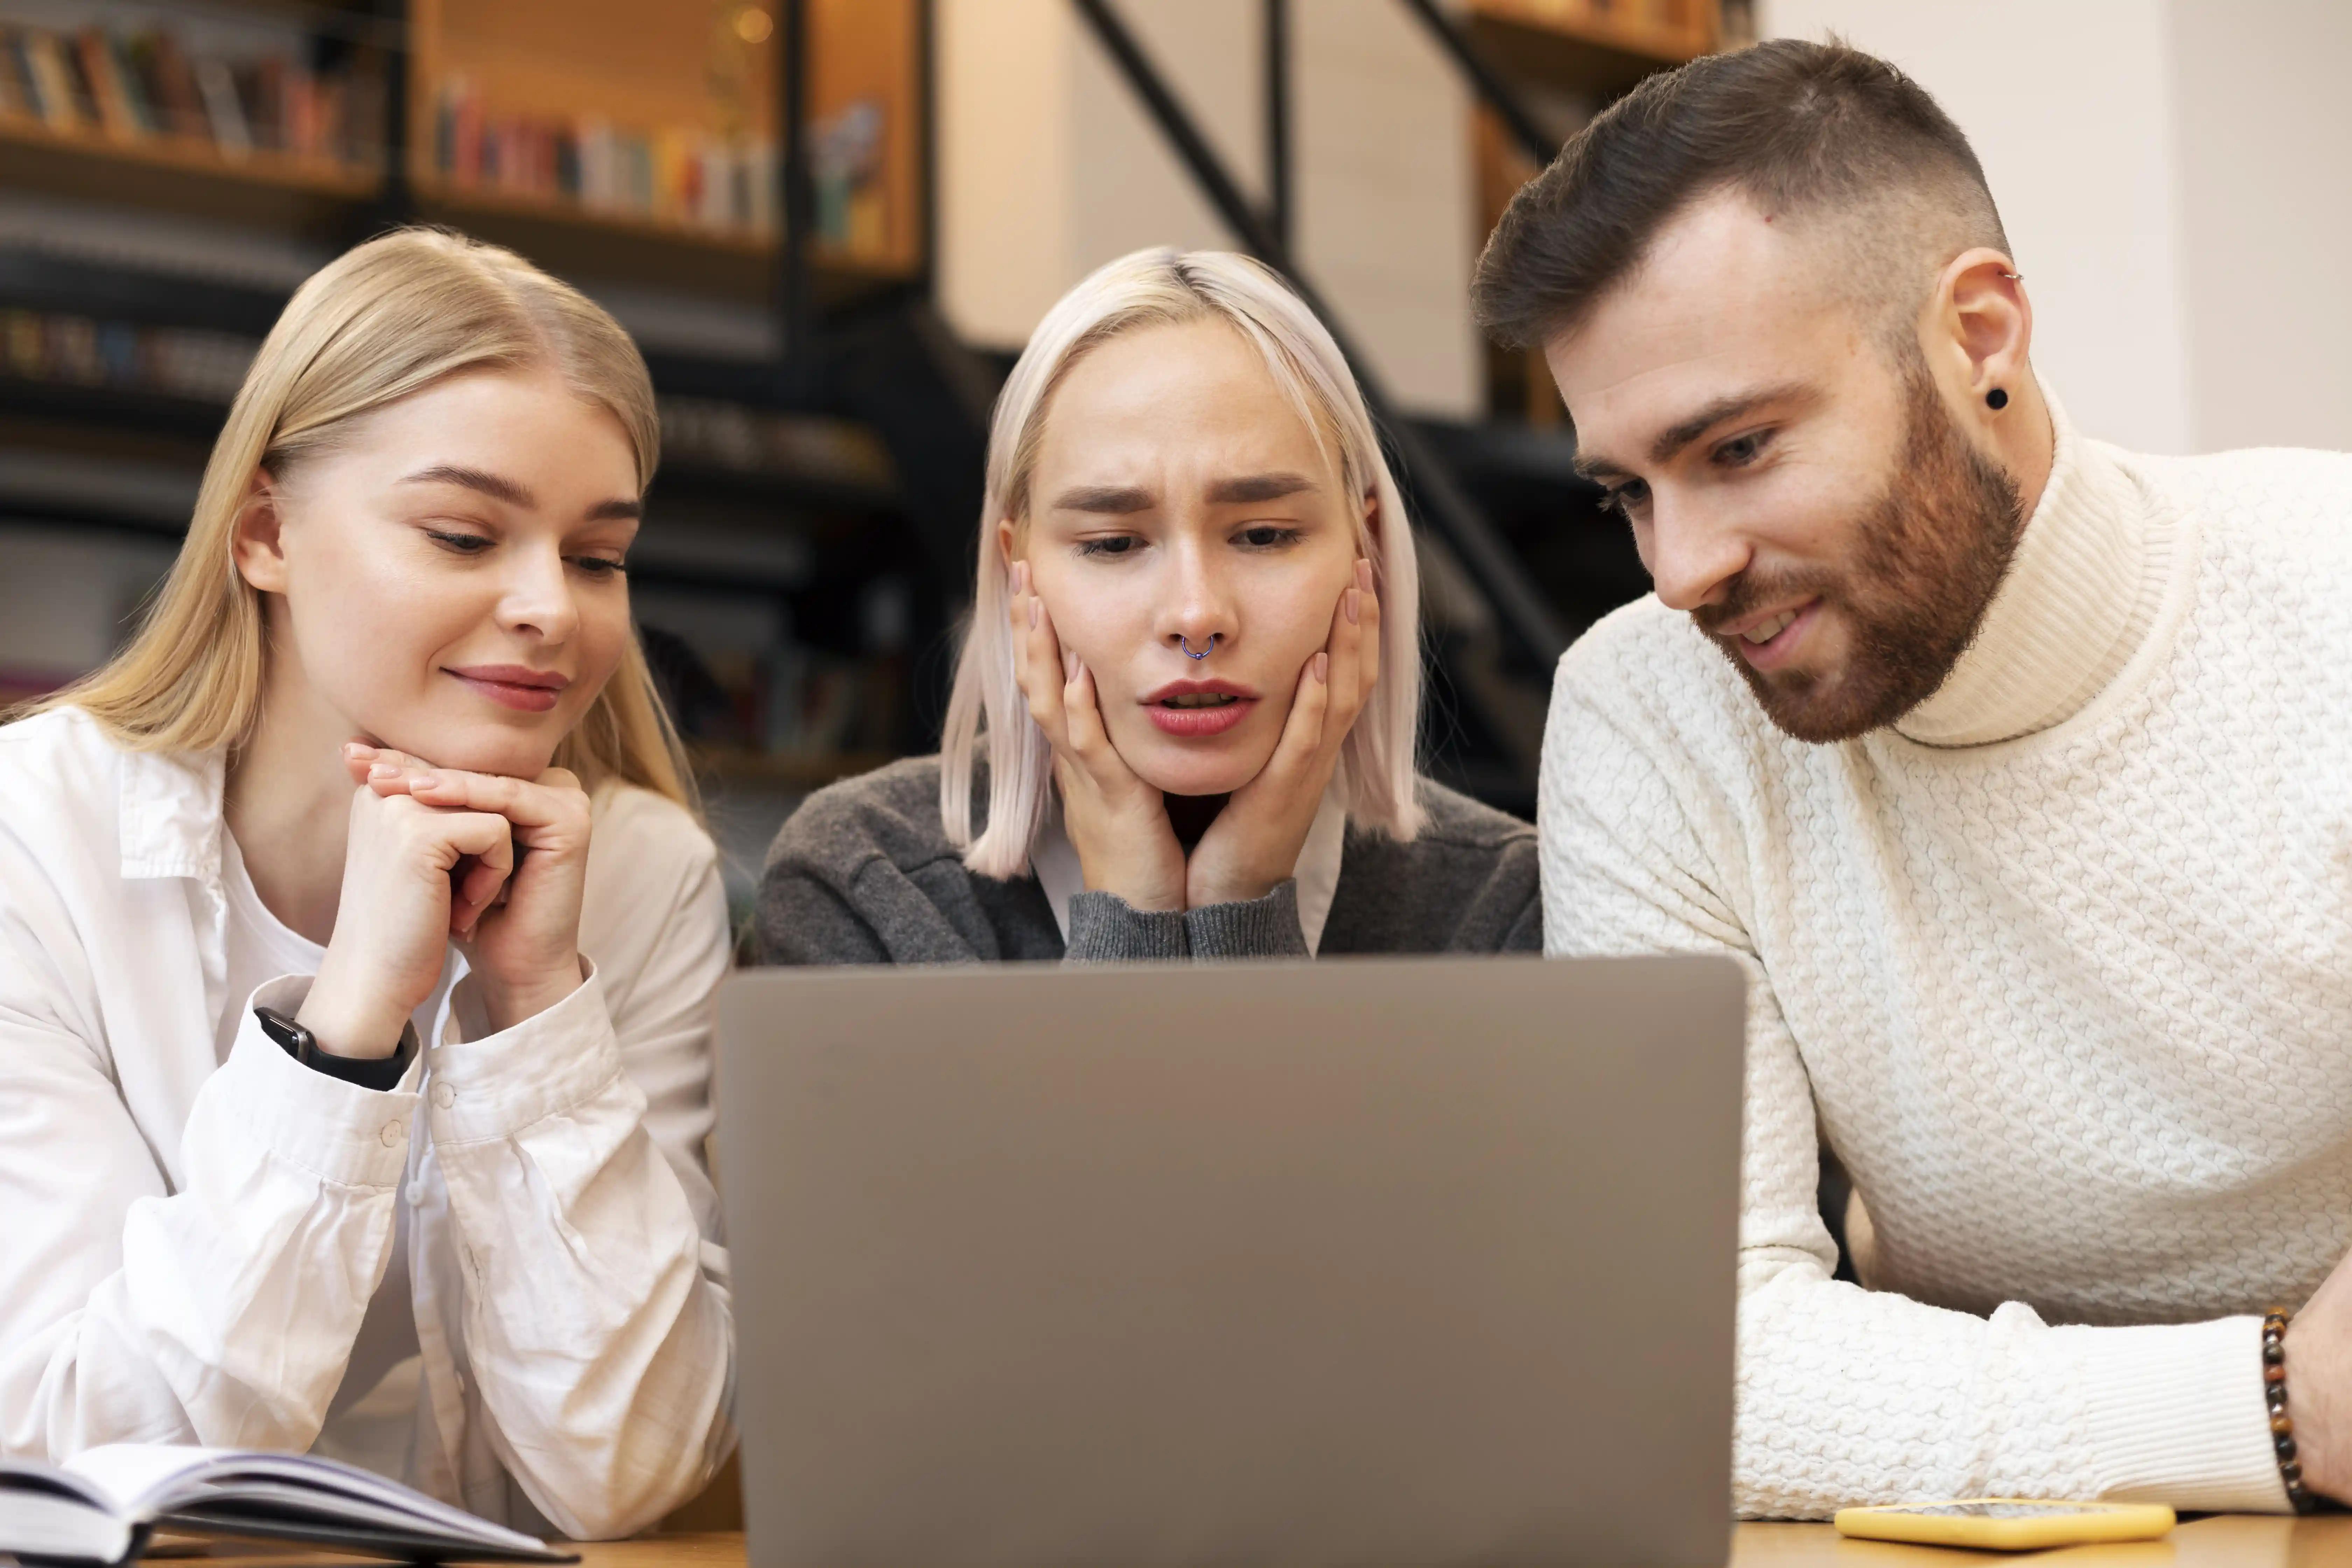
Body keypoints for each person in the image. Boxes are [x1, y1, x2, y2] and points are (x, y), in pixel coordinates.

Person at [1473, 38, 2352, 1518]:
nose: (1681, 570)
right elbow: (1691, 1355)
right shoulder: (1647, 713)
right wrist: (2278, 1404)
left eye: (1739, 448)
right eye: (1629, 491)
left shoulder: (2326, 598)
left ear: (1981, 335)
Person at [0, 230, 733, 1538]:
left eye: (597, 555)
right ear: (267, 533)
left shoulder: (645, 876)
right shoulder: (32, 842)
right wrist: (342, 1043)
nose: (552, 610)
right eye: (464, 534)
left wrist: (537, 1014)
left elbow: (626, 1472)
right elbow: (71, 1458)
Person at [760, 248, 1538, 963]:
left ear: (1364, 549)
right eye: (1113, 544)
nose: (1196, 617)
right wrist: (1132, 910)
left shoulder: (1501, 905)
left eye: (1263, 534)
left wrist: (1243, 900)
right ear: (1016, 571)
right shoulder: (866, 882)